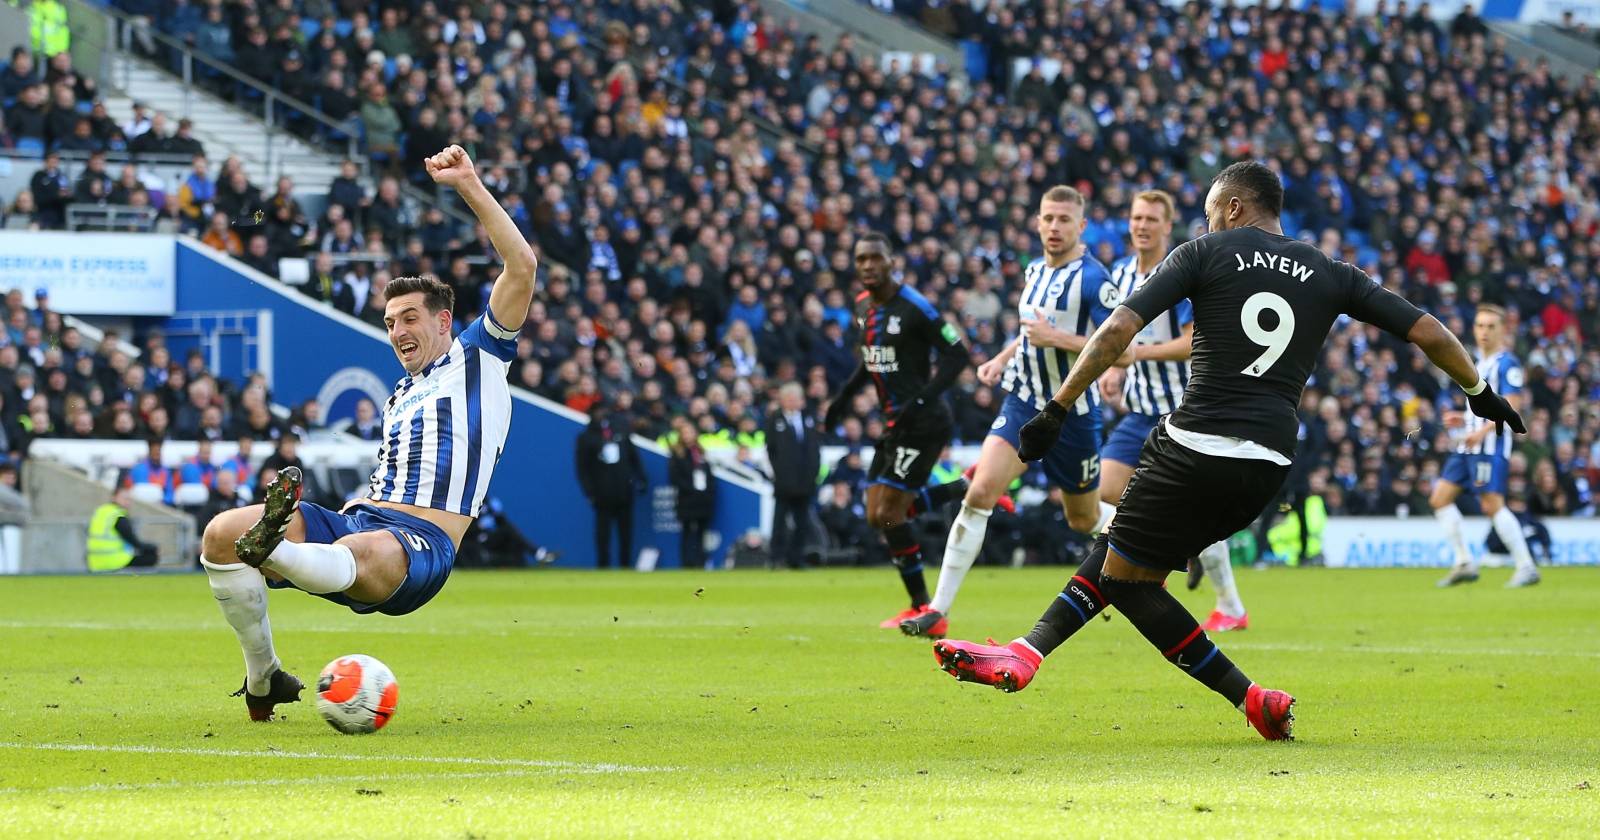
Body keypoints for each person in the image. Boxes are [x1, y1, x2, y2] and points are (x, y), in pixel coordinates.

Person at [932, 161, 1524, 741]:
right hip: (1268, 467)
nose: (1207, 221)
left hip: (1193, 445)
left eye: (1212, 211)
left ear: (1235, 208)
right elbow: (1429, 330)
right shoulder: (1330, 271)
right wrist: (1480, 391)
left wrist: (1056, 409)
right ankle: (1243, 698)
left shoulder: (1202, 253)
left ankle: (1030, 655)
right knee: (1125, 560)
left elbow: (1116, 330)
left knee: (1125, 577)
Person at [198, 145, 537, 721]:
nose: (397, 330)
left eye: (409, 318)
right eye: (389, 323)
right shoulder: (400, 394)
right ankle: (264, 677)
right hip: (361, 515)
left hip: (420, 544)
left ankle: (277, 548)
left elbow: (522, 267)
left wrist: (469, 185)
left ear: (443, 321)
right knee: (222, 534)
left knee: (354, 552)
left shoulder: (479, 358)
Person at [903, 185, 1118, 638]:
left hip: (1073, 413)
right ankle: (938, 609)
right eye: (1048, 218)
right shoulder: (1035, 270)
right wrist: (1003, 358)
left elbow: (1122, 348)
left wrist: (1055, 339)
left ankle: (1153, 544)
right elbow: (1031, 331)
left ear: (1081, 226)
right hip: (1022, 401)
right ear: (1037, 222)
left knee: (1082, 518)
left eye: (1064, 219)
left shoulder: (1097, 281)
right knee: (979, 492)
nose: (1054, 227)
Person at [1101, 190, 1249, 631]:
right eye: (1136, 217)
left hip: (1181, 412)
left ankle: (1231, 607)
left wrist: (1137, 354)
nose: (1142, 225)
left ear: (1167, 227)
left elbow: (1189, 343)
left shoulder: (1183, 270)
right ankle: (1163, 560)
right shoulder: (1122, 272)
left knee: (1190, 512)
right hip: (1139, 409)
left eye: (1151, 219)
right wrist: (1116, 372)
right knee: (1107, 490)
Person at [821, 232, 969, 631]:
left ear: (891, 262)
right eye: (860, 259)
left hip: (924, 423)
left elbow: (958, 355)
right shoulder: (862, 309)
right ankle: (962, 490)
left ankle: (925, 610)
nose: (868, 265)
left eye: (875, 258)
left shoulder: (916, 307)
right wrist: (840, 400)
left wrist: (921, 400)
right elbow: (869, 363)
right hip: (893, 424)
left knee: (889, 513)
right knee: (877, 514)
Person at [1432, 304, 1539, 588]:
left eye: (1491, 326)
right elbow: (1483, 404)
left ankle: (1526, 566)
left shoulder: (1507, 364)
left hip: (1489, 446)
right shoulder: (1479, 363)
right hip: (1468, 445)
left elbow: (1513, 405)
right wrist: (1464, 417)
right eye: (1480, 326)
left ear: (1504, 330)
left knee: (1491, 505)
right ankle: (1464, 562)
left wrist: (1480, 432)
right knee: (1439, 498)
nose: (1484, 332)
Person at [575, 399, 645, 568]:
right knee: (603, 533)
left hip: (623, 490)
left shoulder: (620, 431)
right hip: (602, 493)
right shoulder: (586, 437)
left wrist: (641, 479)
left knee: (626, 532)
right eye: (598, 411)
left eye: (604, 411)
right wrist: (590, 493)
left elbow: (633, 457)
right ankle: (603, 565)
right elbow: (582, 469)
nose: (602, 415)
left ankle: (625, 565)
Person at [764, 382, 821, 569]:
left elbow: (814, 450)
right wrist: (778, 474)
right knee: (779, 522)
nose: (791, 402)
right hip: (783, 483)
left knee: (802, 523)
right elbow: (770, 451)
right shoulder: (775, 419)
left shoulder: (808, 419)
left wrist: (813, 474)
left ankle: (796, 558)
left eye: (795, 398)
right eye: (788, 399)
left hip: (805, 482)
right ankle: (775, 558)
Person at [669, 422, 717, 570]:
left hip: (703, 500)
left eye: (691, 432)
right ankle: (687, 562)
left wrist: (707, 492)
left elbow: (708, 475)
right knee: (687, 532)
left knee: (701, 534)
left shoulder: (701, 452)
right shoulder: (677, 454)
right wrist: (692, 489)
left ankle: (700, 562)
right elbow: (675, 478)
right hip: (687, 499)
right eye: (685, 432)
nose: (688, 435)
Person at [87, 486, 160, 571]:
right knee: (151, 556)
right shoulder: (117, 515)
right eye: (124, 498)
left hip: (94, 562)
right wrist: (154, 547)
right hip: (113, 561)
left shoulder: (101, 510)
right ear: (114, 497)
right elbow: (134, 542)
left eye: (129, 499)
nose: (127, 502)